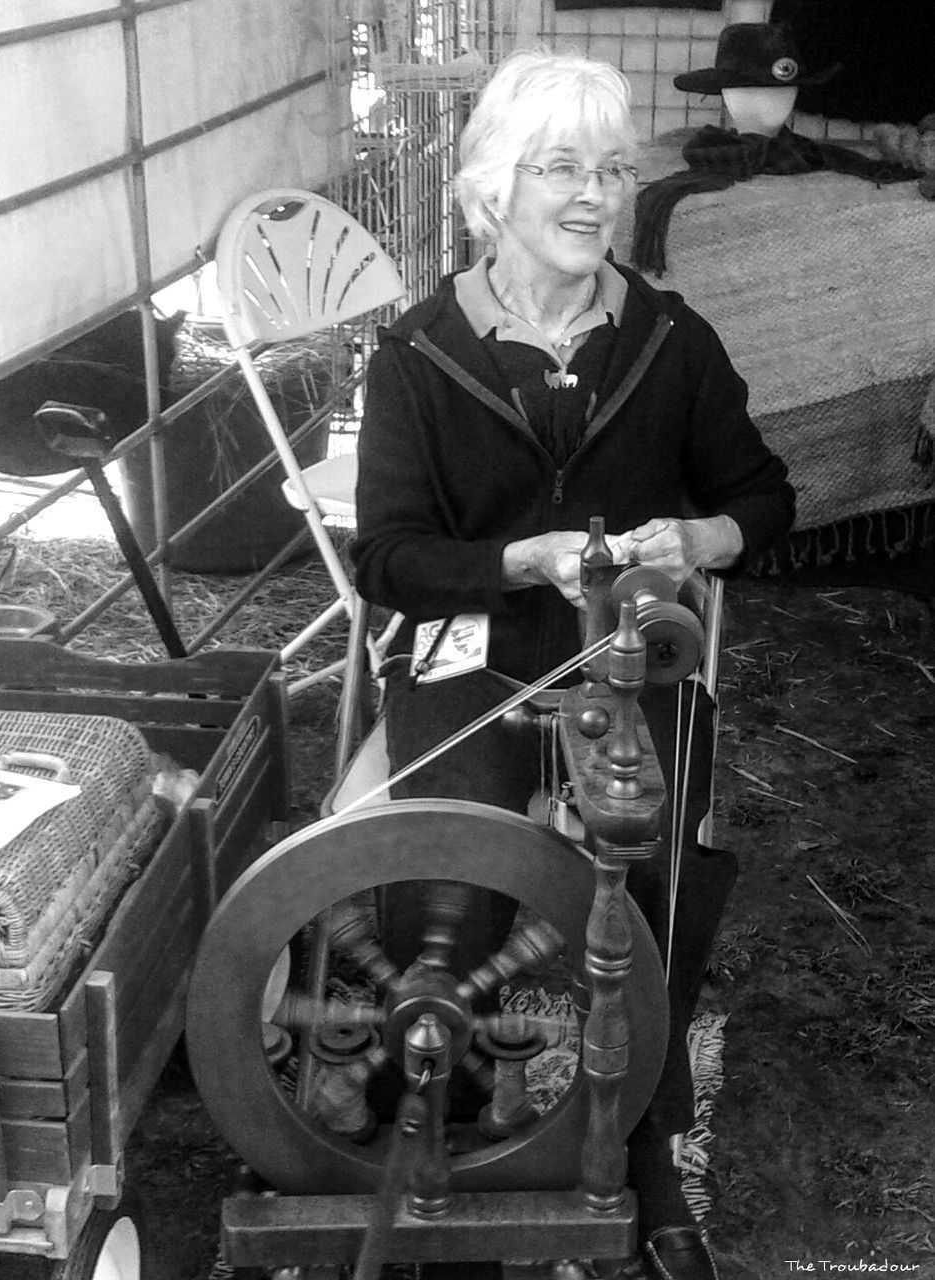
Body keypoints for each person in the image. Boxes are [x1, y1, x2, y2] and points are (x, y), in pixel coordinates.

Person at [352, 49, 795, 1280]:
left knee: (663, 847)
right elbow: (387, 557)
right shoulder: (418, 355)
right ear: (492, 190)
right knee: (451, 851)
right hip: (476, 645)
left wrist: (699, 538)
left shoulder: (665, 338)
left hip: (626, 646)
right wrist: (516, 559)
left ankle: (643, 1131)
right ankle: (437, 1096)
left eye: (611, 166)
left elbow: (762, 497)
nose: (594, 194)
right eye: (559, 166)